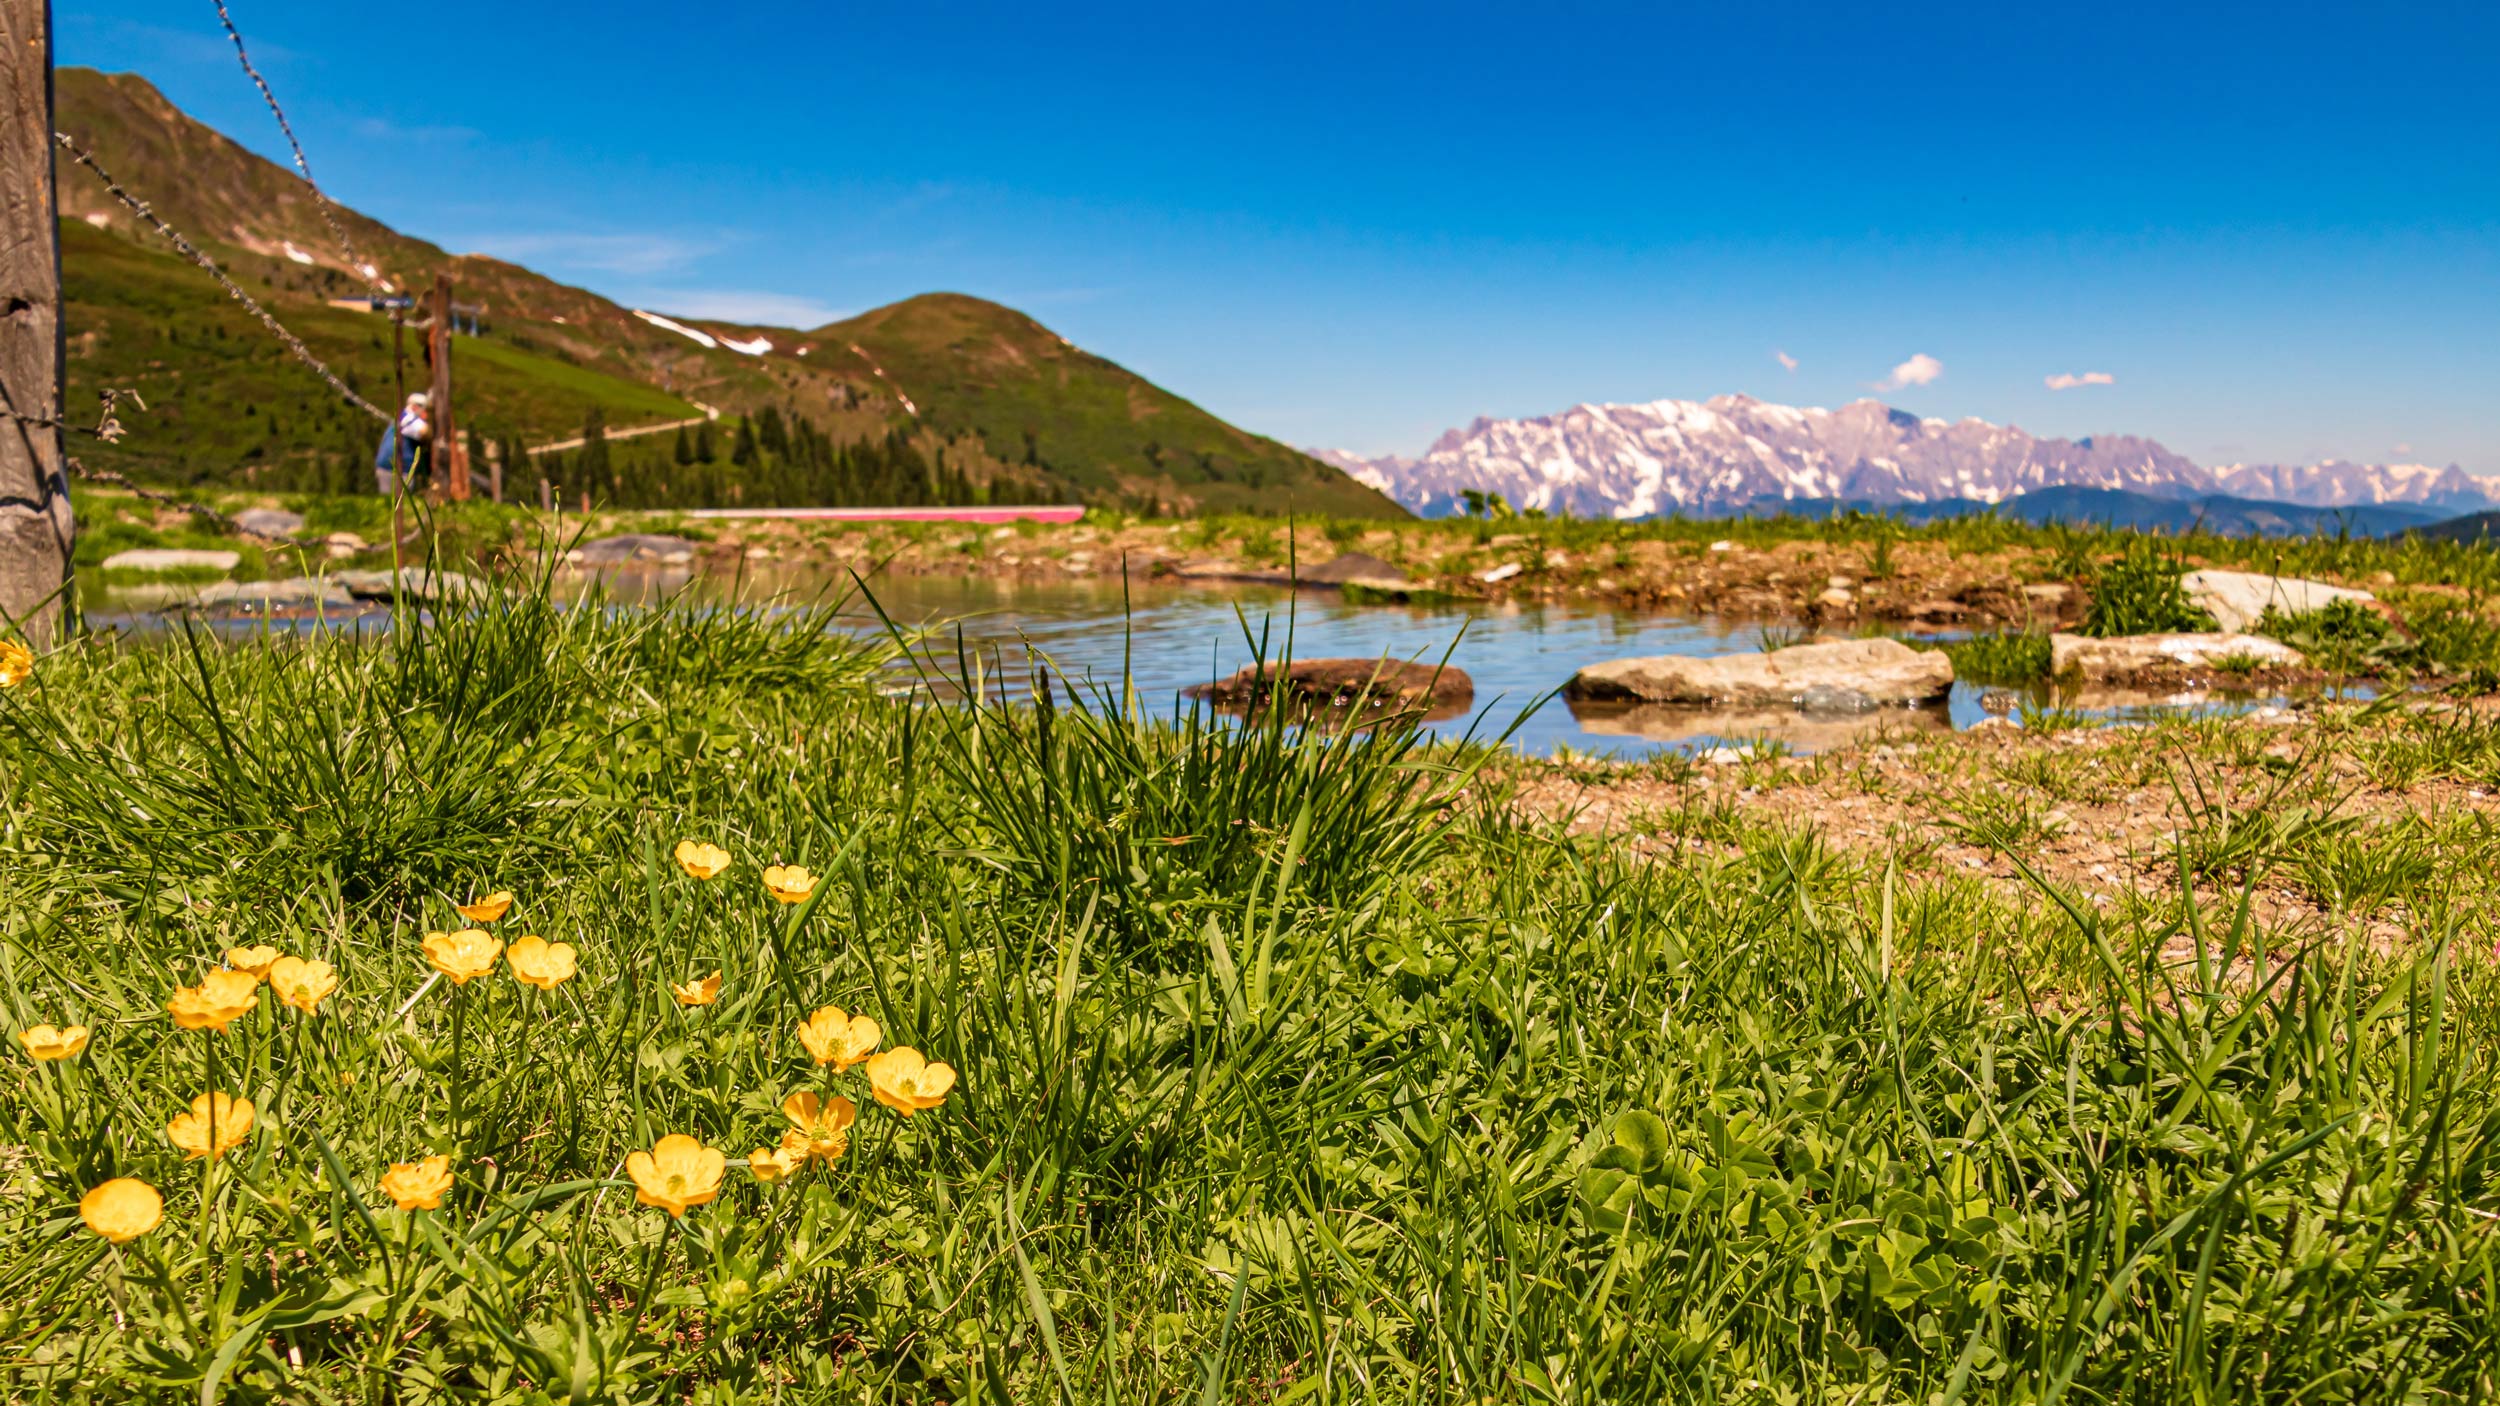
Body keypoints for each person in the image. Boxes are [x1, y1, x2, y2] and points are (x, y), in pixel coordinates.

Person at [373, 392, 432, 495]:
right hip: (400, 469)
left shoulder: (400, 417)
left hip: (385, 465)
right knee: (401, 502)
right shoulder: (409, 418)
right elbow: (424, 432)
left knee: (388, 502)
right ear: (415, 406)